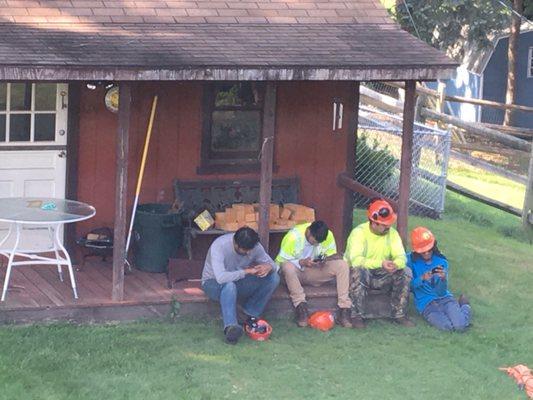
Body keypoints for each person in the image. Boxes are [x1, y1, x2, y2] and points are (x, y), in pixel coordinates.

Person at [201, 227, 280, 344]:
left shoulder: (255, 246)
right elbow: (221, 278)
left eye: (250, 249)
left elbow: (274, 265)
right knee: (229, 285)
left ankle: (249, 315)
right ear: (236, 244)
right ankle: (231, 327)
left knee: (274, 278)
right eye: (245, 250)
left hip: (238, 281)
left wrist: (269, 267)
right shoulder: (219, 246)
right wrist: (246, 272)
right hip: (213, 283)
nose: (249, 253)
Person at [344, 198, 414, 328]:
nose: (388, 227)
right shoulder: (358, 233)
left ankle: (399, 314)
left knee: (406, 272)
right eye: (385, 224)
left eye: (389, 224)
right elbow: (355, 260)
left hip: (383, 272)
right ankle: (356, 315)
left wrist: (396, 264)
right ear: (374, 223)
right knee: (359, 270)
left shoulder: (392, 234)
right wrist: (381, 263)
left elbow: (401, 256)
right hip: (360, 273)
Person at [276, 221, 352, 328]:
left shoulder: (328, 235)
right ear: (309, 232)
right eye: (314, 241)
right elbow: (280, 264)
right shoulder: (293, 237)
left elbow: (332, 254)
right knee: (287, 267)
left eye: (318, 243)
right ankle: (301, 306)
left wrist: (325, 260)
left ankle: (344, 308)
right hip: (296, 274)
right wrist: (302, 262)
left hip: (315, 270)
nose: (316, 244)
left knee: (342, 265)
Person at [407, 226, 471, 332]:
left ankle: (464, 305)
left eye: (429, 250)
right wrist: (421, 279)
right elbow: (410, 287)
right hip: (426, 304)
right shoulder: (409, 260)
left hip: (444, 299)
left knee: (460, 327)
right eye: (423, 252)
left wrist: (443, 279)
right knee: (447, 328)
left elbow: (441, 292)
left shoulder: (442, 262)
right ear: (417, 251)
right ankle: (455, 313)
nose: (427, 253)